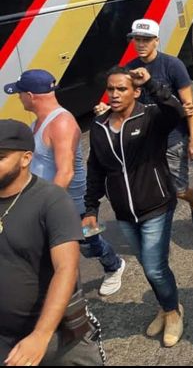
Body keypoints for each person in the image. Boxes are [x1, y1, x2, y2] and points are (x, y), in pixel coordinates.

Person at [84, 66, 186, 346]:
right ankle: (166, 306)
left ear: (135, 91)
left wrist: (152, 83)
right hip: (124, 213)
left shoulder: (151, 116)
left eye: (122, 89)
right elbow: (95, 168)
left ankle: (173, 312)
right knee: (148, 266)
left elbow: (176, 112)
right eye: (111, 89)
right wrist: (90, 208)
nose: (114, 94)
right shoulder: (99, 126)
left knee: (154, 268)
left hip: (156, 205)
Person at [6, 70, 125, 296]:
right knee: (51, 251)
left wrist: (38, 208)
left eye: (19, 94)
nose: (19, 98)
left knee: (88, 245)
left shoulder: (61, 124)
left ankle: (114, 265)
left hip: (71, 203)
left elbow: (65, 173)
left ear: (31, 95)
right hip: (48, 199)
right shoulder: (37, 123)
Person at [0, 120, 103, 366]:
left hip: (57, 337)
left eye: (0, 157)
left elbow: (66, 268)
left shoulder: (51, 200)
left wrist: (40, 335)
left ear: (25, 159)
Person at [123, 19, 193, 231]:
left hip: (174, 138)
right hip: (145, 140)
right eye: (137, 40)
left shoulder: (172, 66)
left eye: (146, 40)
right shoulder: (129, 69)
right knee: (152, 189)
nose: (141, 44)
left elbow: (188, 106)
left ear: (157, 41)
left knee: (178, 190)